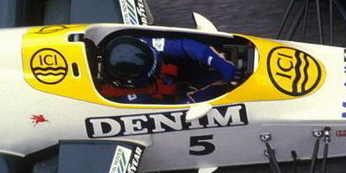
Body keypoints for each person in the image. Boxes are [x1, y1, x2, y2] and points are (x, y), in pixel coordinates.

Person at [100, 35, 241, 103]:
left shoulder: (142, 45)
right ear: (129, 83)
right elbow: (169, 115)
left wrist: (217, 62)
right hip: (171, 99)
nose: (158, 68)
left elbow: (183, 46)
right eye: (153, 73)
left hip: (178, 79)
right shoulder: (129, 100)